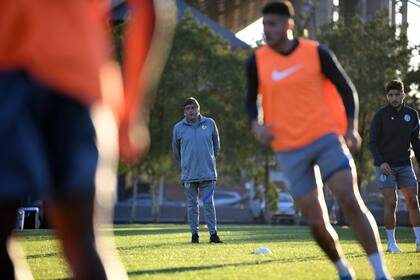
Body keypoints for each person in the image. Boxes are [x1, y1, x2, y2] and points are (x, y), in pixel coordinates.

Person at [0, 0, 176, 278]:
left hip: (11, 77)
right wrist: (131, 111)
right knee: (83, 243)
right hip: (78, 79)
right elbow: (149, 8)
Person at [245, 2, 391, 279]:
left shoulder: (316, 52)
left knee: (349, 199)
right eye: (264, 24)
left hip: (325, 137)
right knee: (315, 219)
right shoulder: (257, 60)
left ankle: (380, 273)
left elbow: (347, 90)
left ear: (288, 25)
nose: (267, 30)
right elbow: (250, 100)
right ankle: (343, 270)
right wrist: (256, 125)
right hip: (288, 148)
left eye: (272, 24)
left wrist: (351, 128)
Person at [369, 79, 420, 253]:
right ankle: (391, 244)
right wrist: (381, 161)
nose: (394, 98)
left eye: (397, 94)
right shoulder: (380, 115)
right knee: (391, 203)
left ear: (403, 95)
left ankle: (419, 241)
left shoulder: (412, 114)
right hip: (385, 166)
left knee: (413, 201)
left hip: (405, 164)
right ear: (387, 97)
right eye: (391, 95)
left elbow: (416, 142)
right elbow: (372, 142)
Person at [172, 97, 223, 244]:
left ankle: (213, 234)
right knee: (192, 206)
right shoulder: (178, 128)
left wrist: (208, 161)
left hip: (208, 175)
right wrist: (187, 163)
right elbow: (176, 152)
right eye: (188, 109)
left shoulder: (210, 123)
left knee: (208, 204)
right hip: (189, 177)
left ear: (198, 109)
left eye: (193, 108)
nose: (191, 111)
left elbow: (216, 147)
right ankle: (194, 235)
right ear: (184, 112)